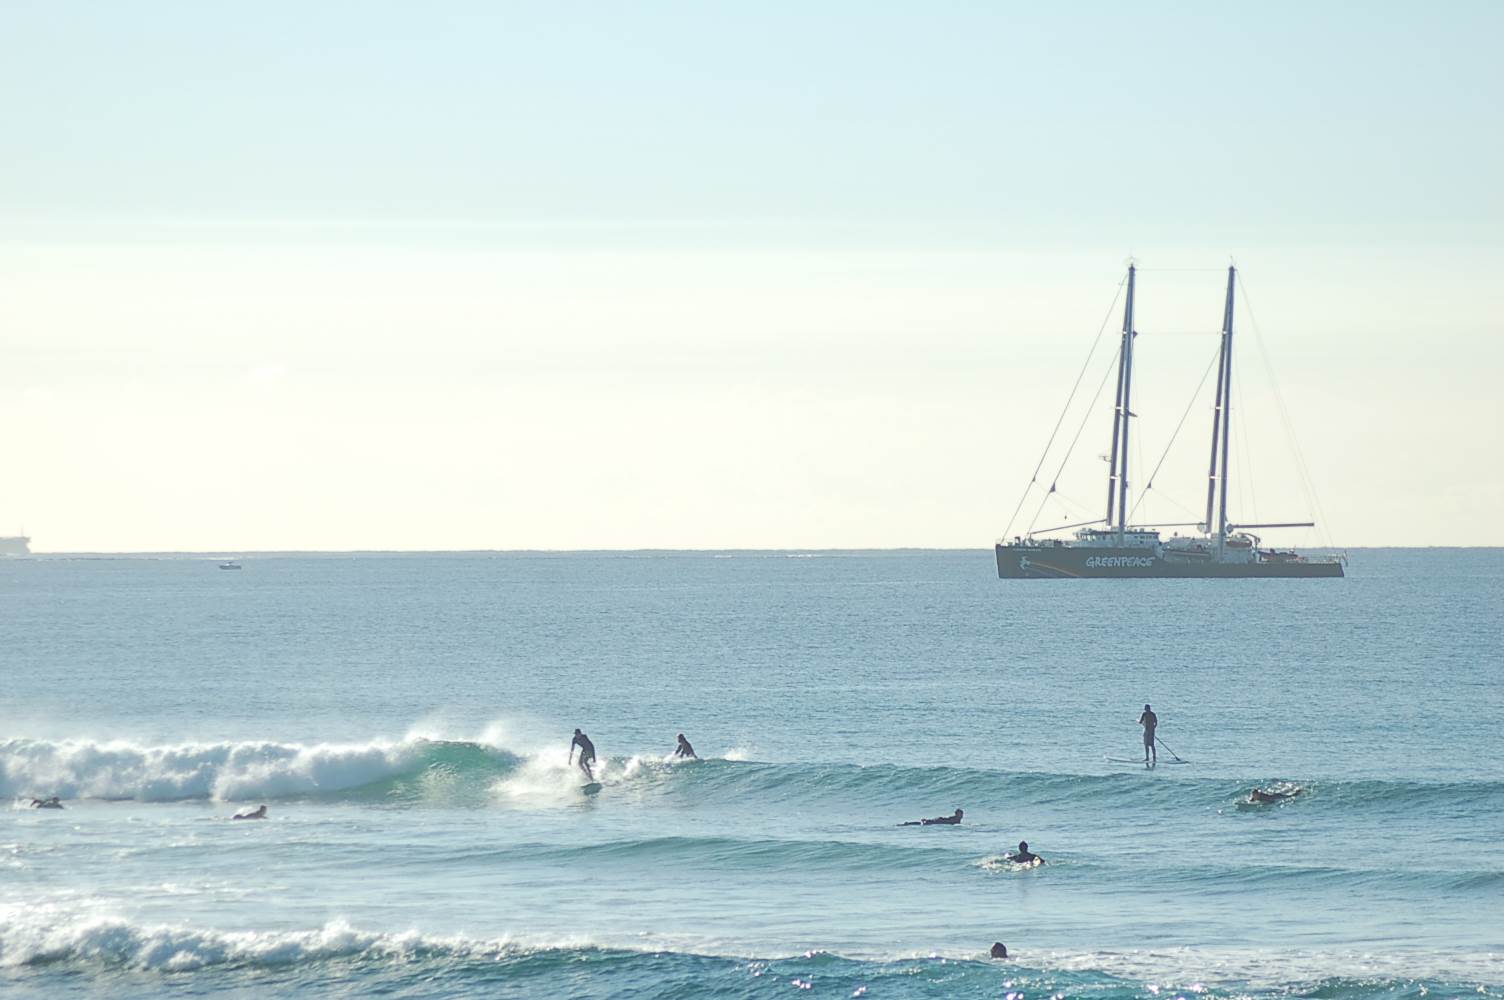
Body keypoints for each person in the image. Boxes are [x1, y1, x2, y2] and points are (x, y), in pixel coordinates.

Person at [899, 808, 963, 826]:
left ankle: (908, 823)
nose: (961, 816)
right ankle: (908, 823)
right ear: (956, 814)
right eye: (959, 814)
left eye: (961, 814)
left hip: (938, 821)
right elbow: (946, 820)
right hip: (937, 821)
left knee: (922, 823)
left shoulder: (957, 819)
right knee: (922, 823)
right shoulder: (954, 819)